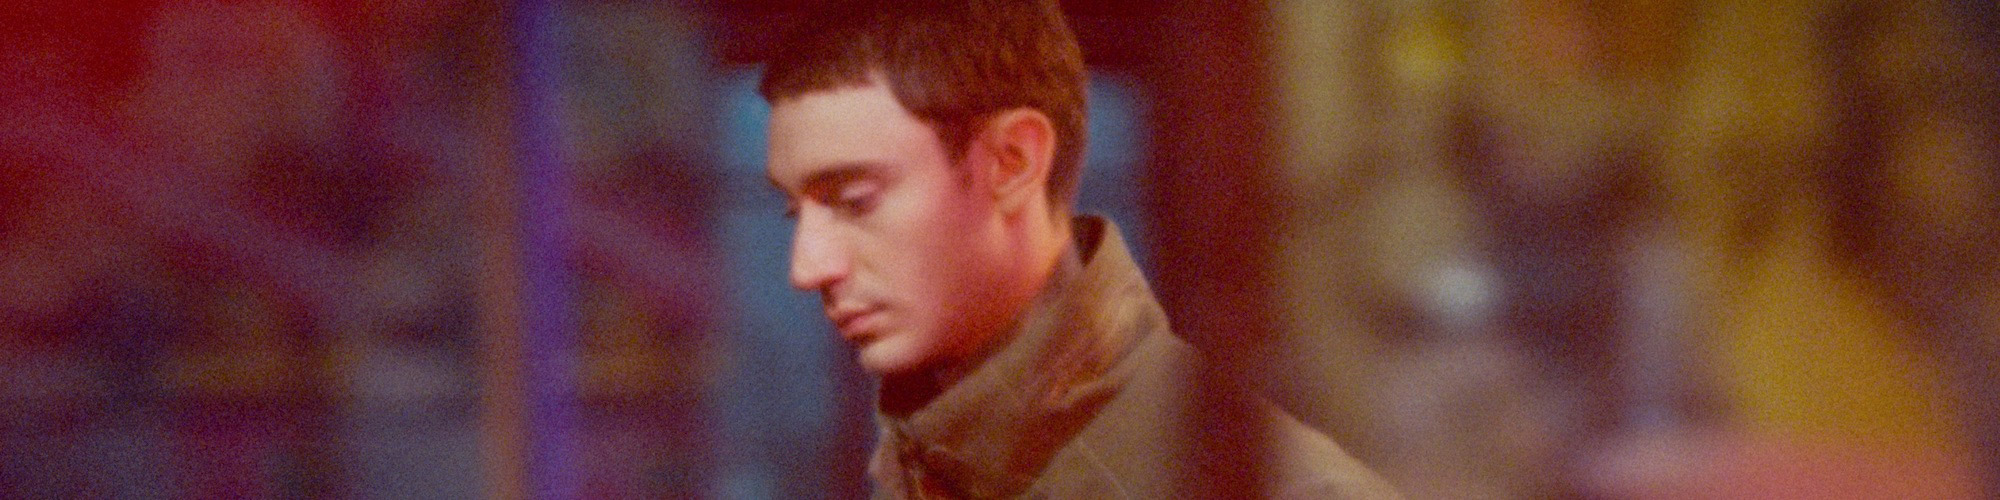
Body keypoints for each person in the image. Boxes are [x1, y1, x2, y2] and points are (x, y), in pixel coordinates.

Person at [759, 0, 1399, 497]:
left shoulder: (1278, 487)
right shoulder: (930, 453)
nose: (807, 267)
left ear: (1012, 162)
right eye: (795, 212)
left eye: (855, 200)